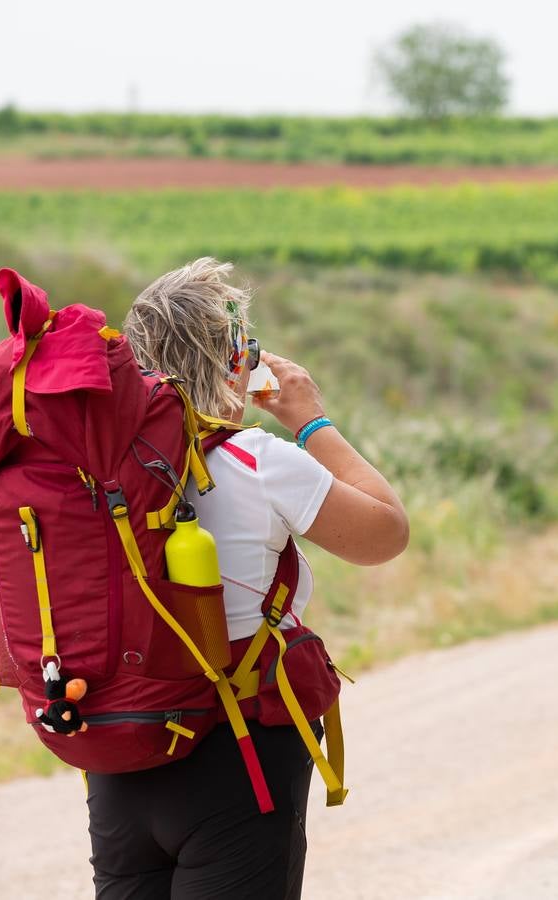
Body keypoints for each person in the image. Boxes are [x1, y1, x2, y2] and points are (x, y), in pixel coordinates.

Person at [86, 257, 409, 900]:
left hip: (120, 744)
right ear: (233, 361)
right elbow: (385, 533)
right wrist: (310, 419)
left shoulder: (90, 469)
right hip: (238, 748)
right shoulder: (255, 459)